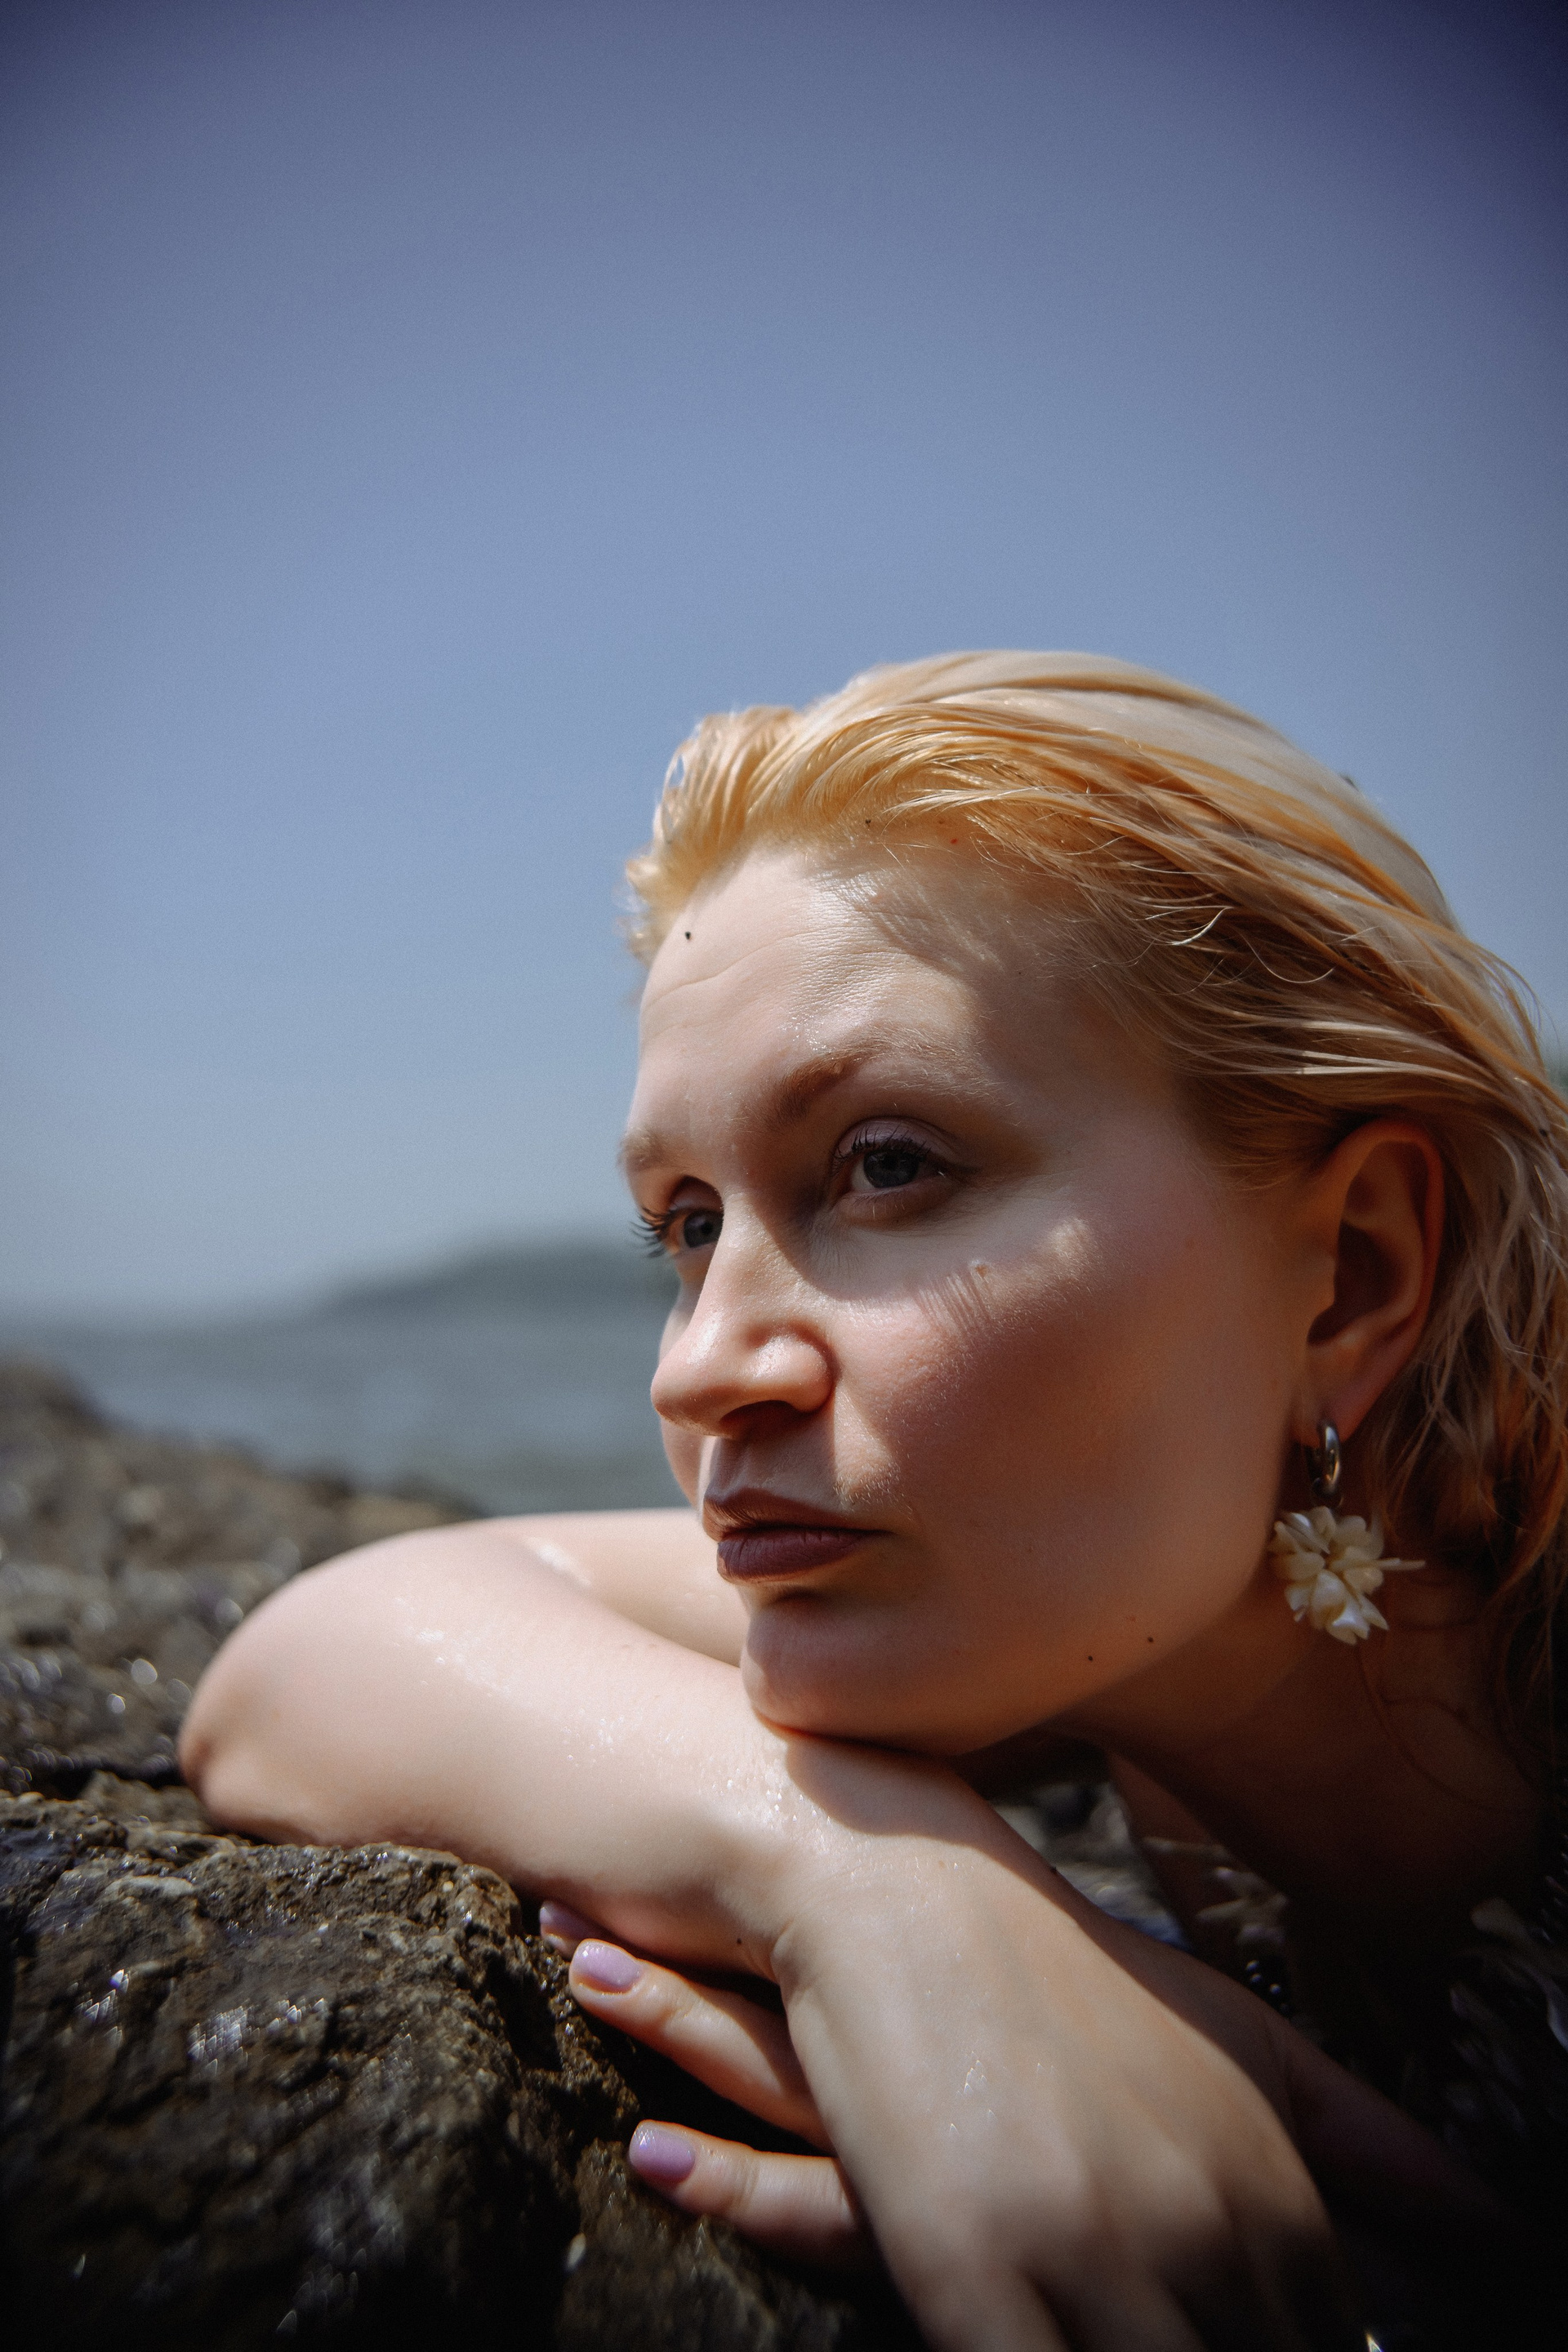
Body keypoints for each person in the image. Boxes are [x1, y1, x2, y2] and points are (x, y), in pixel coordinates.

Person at [181, 653, 1568, 2350]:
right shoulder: (1073, 1618)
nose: (699, 1369)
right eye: (690, 1225)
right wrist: (883, 1897)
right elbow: (310, 1661)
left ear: (1352, 1273)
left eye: (889, 1165)